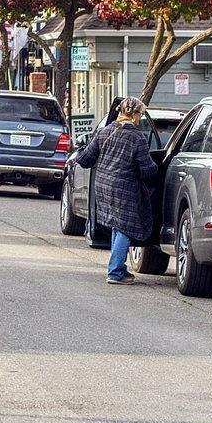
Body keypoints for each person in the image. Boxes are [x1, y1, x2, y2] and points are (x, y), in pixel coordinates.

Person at [73, 95, 162, 285]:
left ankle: (119, 267)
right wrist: (159, 168)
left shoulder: (105, 132)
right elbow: (147, 169)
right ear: (135, 115)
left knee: (117, 224)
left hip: (103, 185)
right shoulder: (137, 137)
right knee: (125, 227)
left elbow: (86, 159)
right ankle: (115, 272)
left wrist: (79, 148)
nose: (140, 119)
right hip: (125, 187)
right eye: (141, 115)